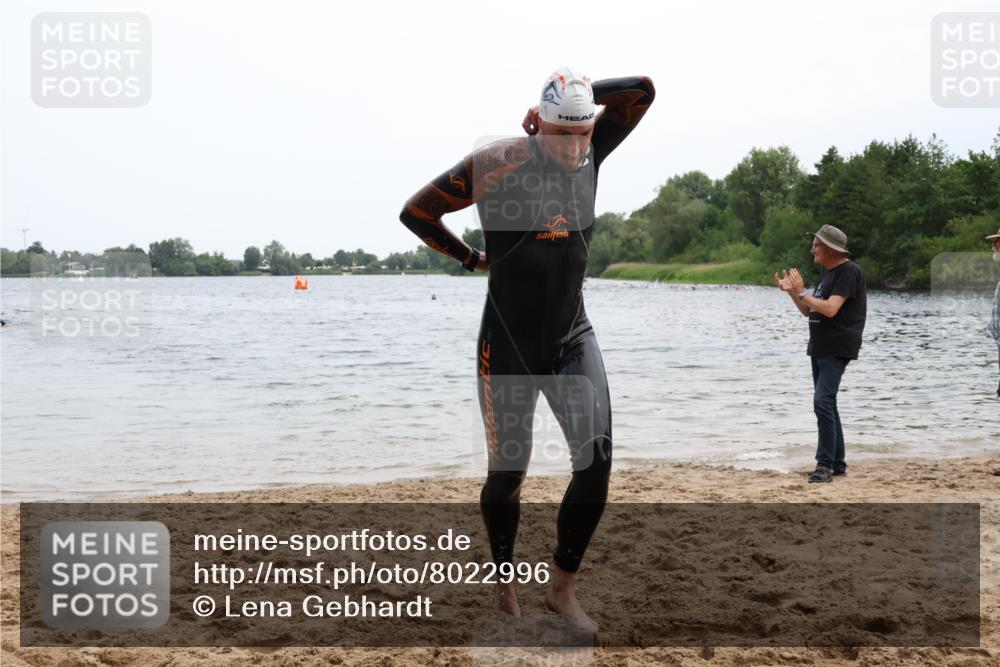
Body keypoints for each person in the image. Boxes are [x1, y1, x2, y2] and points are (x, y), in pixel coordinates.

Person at [399, 67, 655, 632]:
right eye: (561, 132)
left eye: (583, 130)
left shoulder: (593, 150)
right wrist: (470, 258)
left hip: (571, 338)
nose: (574, 145)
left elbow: (643, 91)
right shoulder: (497, 164)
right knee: (507, 475)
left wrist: (580, 90)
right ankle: (504, 583)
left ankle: (562, 589)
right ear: (536, 122)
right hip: (507, 344)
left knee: (597, 462)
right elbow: (417, 212)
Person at [774, 225, 867, 484]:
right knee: (828, 403)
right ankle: (837, 463)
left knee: (822, 402)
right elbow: (809, 311)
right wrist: (793, 292)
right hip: (821, 347)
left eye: (815, 244)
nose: (811, 249)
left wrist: (803, 292)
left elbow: (830, 309)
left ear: (829, 248)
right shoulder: (828, 275)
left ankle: (824, 465)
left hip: (837, 347)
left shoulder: (849, 271)